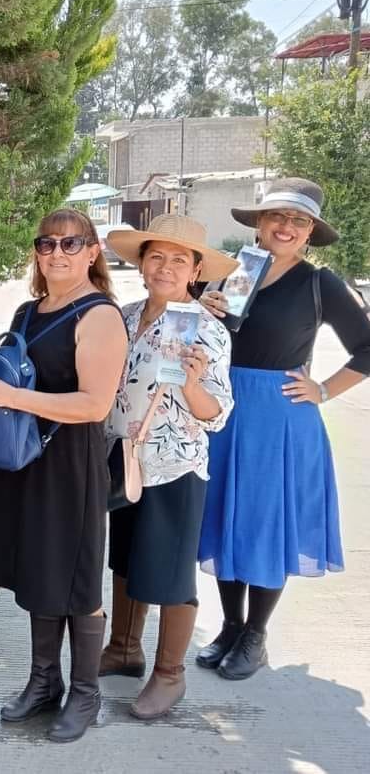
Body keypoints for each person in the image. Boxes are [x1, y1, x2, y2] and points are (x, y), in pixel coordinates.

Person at [195, 178, 370, 680]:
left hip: (279, 419)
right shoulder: (228, 272)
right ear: (259, 223)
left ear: (310, 231)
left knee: (266, 526)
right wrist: (202, 308)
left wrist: (324, 389)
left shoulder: (320, 284)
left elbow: (367, 348)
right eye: (277, 217)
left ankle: (256, 634)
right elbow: (192, 337)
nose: (286, 227)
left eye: (298, 221)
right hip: (222, 410)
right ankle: (229, 626)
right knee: (224, 517)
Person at [0, 208, 127, 743]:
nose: (56, 253)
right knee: (39, 571)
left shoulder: (100, 315)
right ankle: (44, 682)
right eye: (47, 243)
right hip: (24, 459)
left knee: (78, 579)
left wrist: (13, 397)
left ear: (91, 251)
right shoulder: (25, 312)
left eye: (70, 243)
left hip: (70, 465)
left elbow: (94, 404)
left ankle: (85, 694)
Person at [100, 216, 236, 719]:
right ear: (140, 263)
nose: (165, 267)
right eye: (156, 256)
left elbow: (217, 415)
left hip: (174, 464)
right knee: (125, 559)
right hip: (123, 458)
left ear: (196, 269)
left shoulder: (208, 330)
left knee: (172, 570)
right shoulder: (123, 314)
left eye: (180, 259)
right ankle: (123, 648)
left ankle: (169, 674)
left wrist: (192, 383)